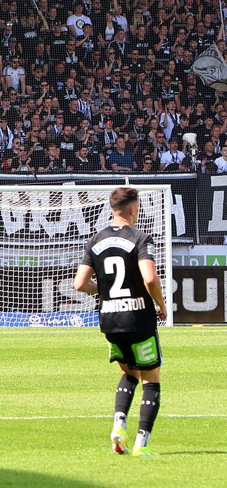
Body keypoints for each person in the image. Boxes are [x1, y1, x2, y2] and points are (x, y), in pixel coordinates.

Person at [73, 187, 168, 457]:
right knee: (151, 378)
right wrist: (160, 305)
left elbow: (79, 284)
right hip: (138, 317)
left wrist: (103, 289)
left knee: (128, 373)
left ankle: (119, 425)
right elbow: (149, 279)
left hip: (110, 319)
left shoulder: (96, 239)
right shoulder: (139, 237)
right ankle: (142, 443)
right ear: (132, 209)